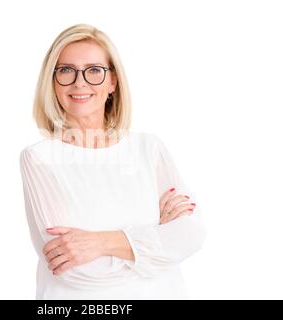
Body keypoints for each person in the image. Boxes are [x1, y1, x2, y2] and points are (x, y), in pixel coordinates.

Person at [19, 23, 207, 300]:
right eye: (66, 70)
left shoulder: (148, 148)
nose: (79, 82)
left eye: (94, 70)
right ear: (52, 81)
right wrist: (159, 243)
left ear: (112, 82)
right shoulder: (39, 159)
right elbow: (76, 271)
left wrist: (101, 242)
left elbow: (191, 235)